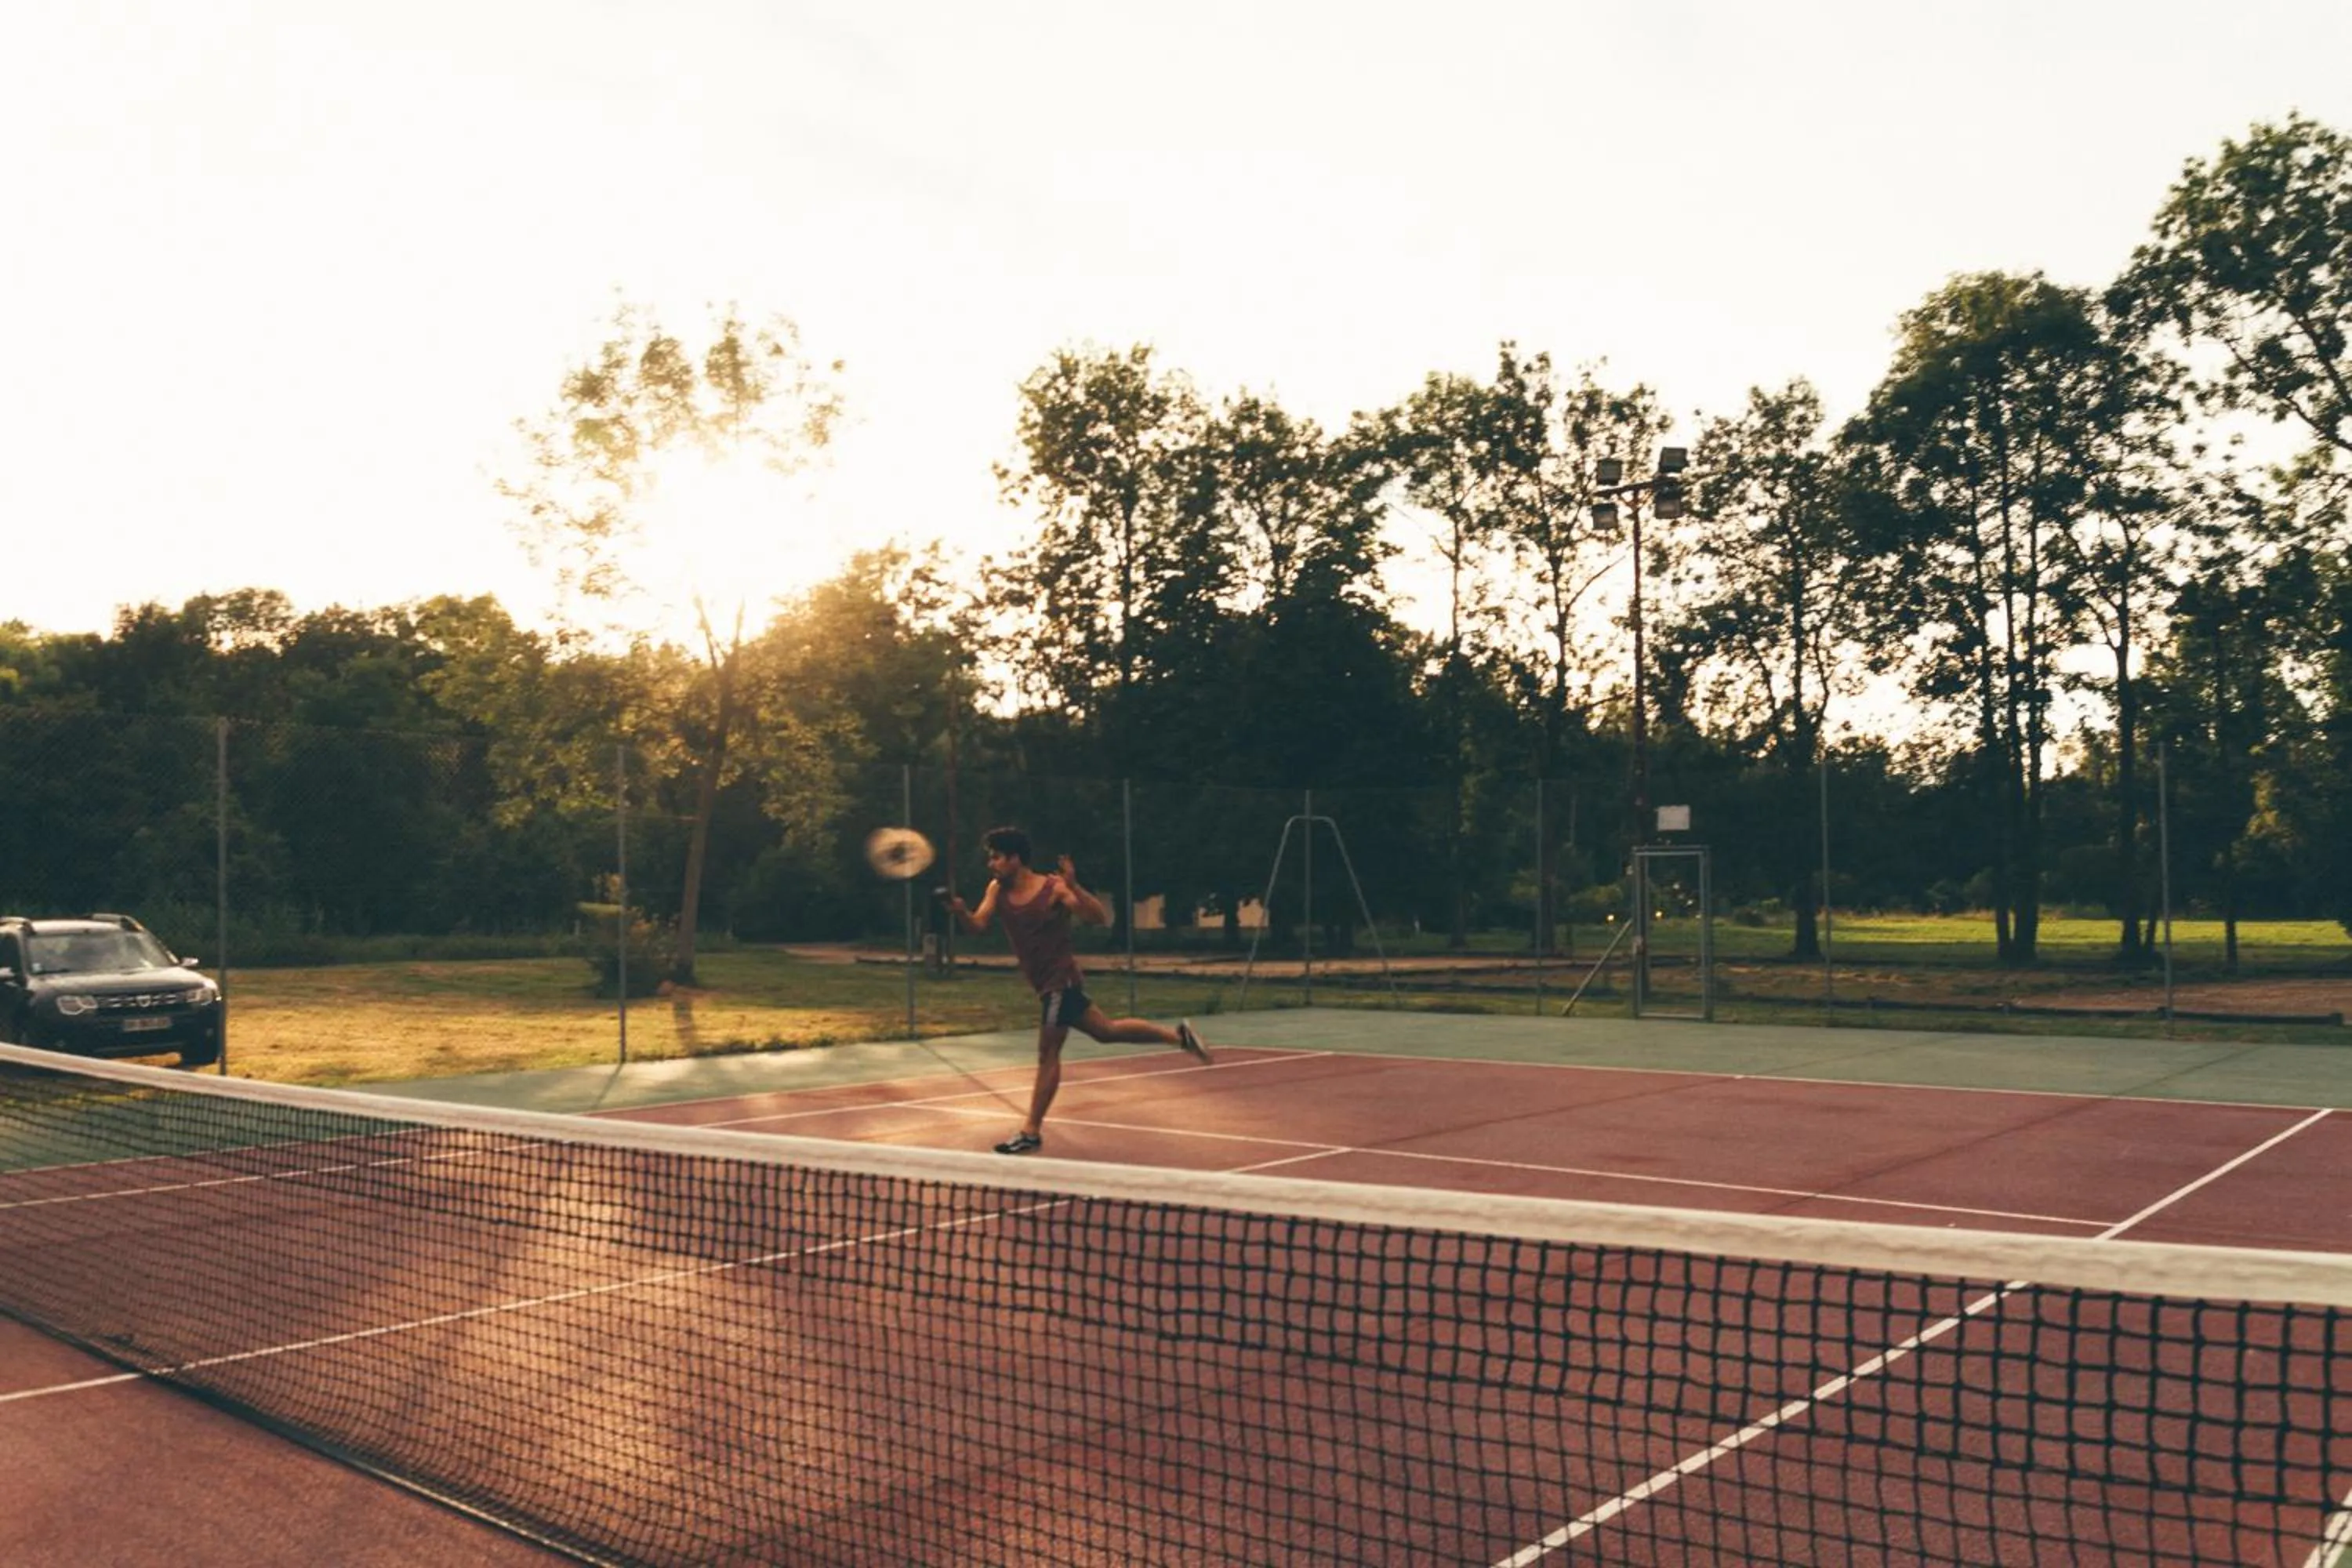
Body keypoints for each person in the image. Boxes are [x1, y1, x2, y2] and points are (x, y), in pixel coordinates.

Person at [946, 825, 1209, 1154]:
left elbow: (1097, 917)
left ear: (1015, 859)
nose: (992, 864)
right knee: (1107, 1031)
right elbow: (978, 926)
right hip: (1045, 984)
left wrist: (1075, 887)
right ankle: (1179, 1037)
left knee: (1048, 1054)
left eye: (997, 858)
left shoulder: (1054, 889)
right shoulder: (997, 890)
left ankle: (1030, 1130)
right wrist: (960, 914)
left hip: (1061, 981)